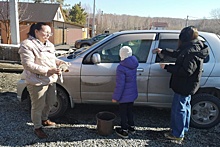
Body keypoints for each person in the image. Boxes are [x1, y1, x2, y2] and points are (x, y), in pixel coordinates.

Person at [152, 26, 209, 141]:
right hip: (189, 85)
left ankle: (177, 134)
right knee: (185, 106)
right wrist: (163, 51)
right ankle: (183, 129)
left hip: (184, 85)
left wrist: (167, 67)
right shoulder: (195, 46)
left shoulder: (191, 52)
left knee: (179, 109)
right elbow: (179, 54)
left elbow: (186, 71)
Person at [19, 22, 69, 139]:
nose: (48, 35)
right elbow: (28, 65)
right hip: (36, 81)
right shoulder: (27, 45)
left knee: (51, 101)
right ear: (36, 31)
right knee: (38, 106)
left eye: (49, 33)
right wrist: (48, 70)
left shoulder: (49, 45)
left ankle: (45, 119)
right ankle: (37, 127)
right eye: (45, 32)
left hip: (50, 80)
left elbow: (51, 59)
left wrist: (60, 63)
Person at [112, 46, 139, 138]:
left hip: (124, 96)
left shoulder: (121, 67)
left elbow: (120, 85)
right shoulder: (134, 64)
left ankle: (124, 130)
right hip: (132, 94)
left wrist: (115, 97)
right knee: (130, 111)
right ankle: (131, 127)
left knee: (123, 113)